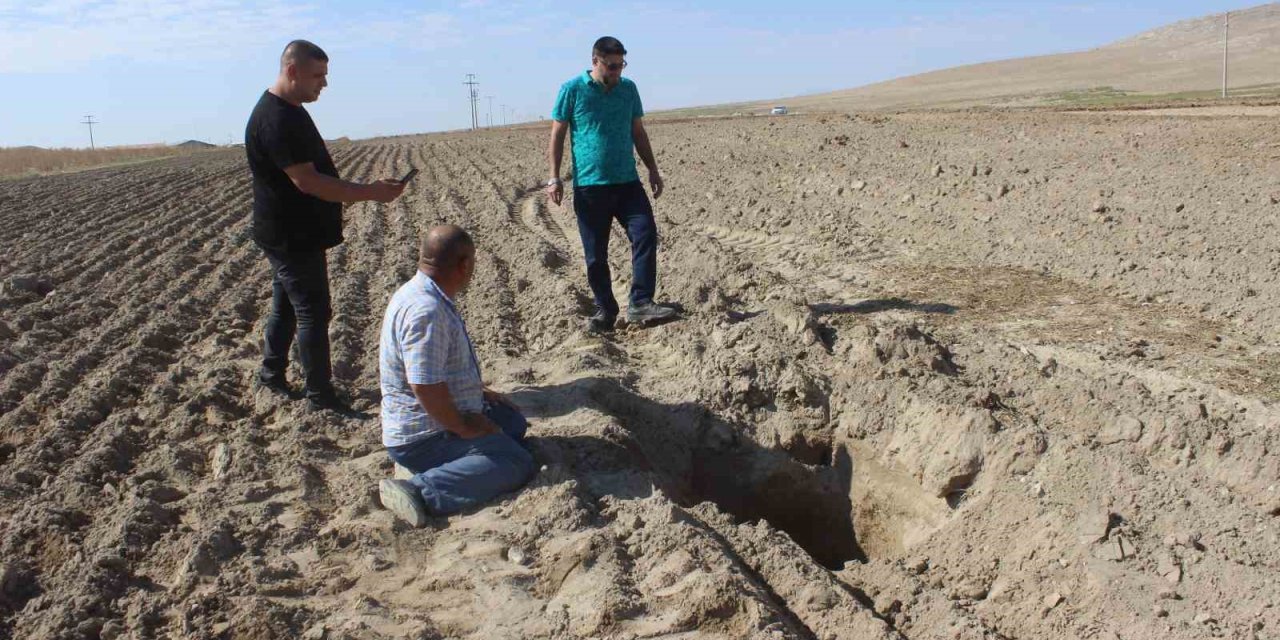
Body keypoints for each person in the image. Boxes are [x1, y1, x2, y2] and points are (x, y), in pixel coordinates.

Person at [244, 39, 406, 411]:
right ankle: (320, 396)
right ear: (292, 71)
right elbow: (308, 181)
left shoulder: (290, 108)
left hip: (290, 231)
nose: (324, 84)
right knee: (313, 311)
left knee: (287, 306)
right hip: (291, 235)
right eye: (318, 76)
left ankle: (271, 375)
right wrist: (371, 193)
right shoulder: (277, 118)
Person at [377, 225, 536, 526]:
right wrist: (463, 427)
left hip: (434, 419)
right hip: (423, 436)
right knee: (516, 461)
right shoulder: (428, 311)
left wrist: (480, 393)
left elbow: (434, 369)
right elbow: (424, 384)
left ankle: (452, 464)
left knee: (511, 422)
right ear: (464, 265)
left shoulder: (421, 292)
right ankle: (418, 490)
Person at [546, 36, 677, 333]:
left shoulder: (628, 90)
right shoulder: (572, 90)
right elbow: (557, 135)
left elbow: (638, 132)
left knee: (645, 234)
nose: (618, 71)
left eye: (621, 65)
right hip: (590, 186)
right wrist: (554, 177)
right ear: (595, 61)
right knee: (596, 255)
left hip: (627, 183)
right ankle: (605, 310)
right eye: (612, 65)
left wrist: (653, 169)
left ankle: (641, 302)